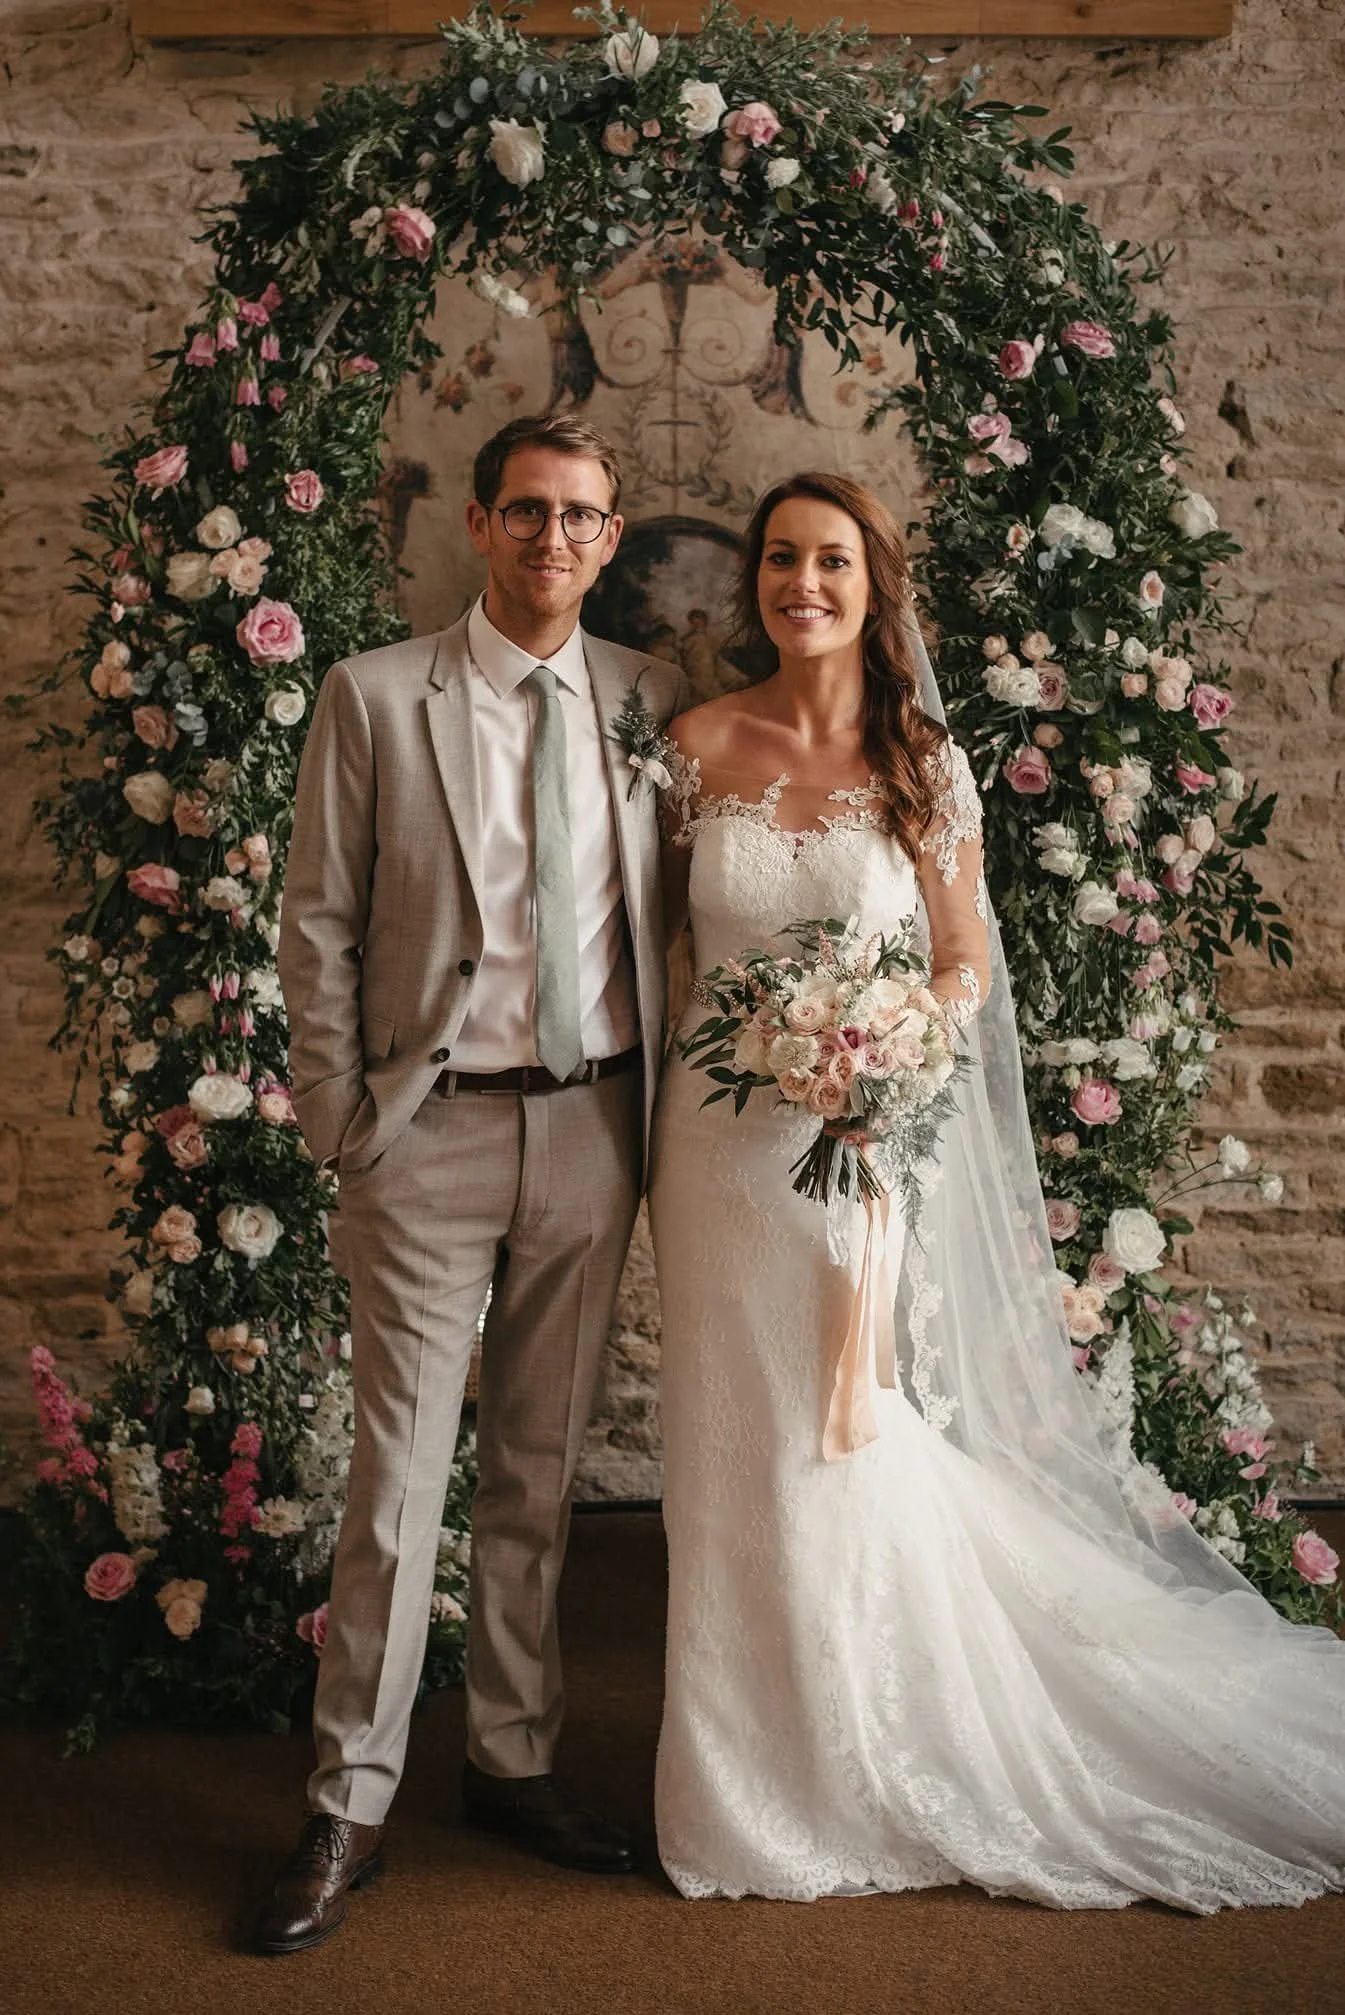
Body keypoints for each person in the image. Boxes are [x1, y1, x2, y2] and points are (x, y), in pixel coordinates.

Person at [648, 471, 1345, 1910]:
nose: (802, 584)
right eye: (781, 559)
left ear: (871, 581)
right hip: (713, 1157)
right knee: (724, 1443)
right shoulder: (695, 749)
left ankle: (857, 1750)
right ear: (756, 582)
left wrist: (886, 1048)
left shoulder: (926, 764)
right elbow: (655, 958)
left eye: (830, 560)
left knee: (833, 1435)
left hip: (847, 1155)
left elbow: (963, 958)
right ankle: (734, 1771)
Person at [260, 415, 682, 1954]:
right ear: (481, 527)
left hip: (594, 1128)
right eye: (526, 512)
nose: (552, 539)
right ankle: (348, 1799)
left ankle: (511, 1763)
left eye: (581, 517)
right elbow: (318, 914)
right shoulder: (376, 696)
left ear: (611, 535)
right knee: (396, 1486)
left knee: (537, 1473)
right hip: (424, 1132)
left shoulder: (649, 702)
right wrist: (337, 1117)